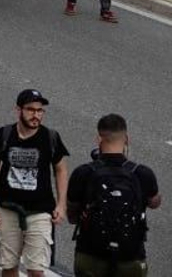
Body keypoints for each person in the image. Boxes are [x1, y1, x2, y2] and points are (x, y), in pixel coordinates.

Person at [0, 89, 70, 277]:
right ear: (18, 110)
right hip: (7, 210)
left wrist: (62, 204)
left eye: (40, 111)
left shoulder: (50, 138)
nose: (36, 115)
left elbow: (61, 169)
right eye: (31, 110)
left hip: (40, 212)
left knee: (36, 270)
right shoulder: (4, 135)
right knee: (8, 266)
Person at [66, 113, 161, 276]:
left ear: (98, 139)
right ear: (127, 139)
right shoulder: (142, 173)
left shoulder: (84, 172)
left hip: (90, 255)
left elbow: (72, 215)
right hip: (131, 257)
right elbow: (154, 203)